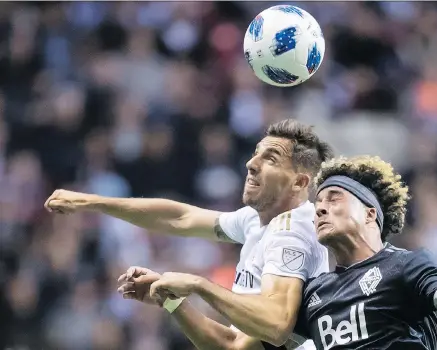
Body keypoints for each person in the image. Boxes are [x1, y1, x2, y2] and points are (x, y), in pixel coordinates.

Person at [135, 155, 437, 350]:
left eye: (333, 198)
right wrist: (176, 303)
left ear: (369, 213)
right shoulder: (313, 296)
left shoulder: (406, 266)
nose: (320, 208)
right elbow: (230, 346)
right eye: (318, 201)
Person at [45, 119, 334, 349]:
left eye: (270, 159)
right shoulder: (257, 221)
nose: (251, 164)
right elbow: (180, 218)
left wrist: (199, 285)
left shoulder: (291, 232)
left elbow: (276, 325)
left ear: (299, 182)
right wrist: (93, 202)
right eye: (255, 153)